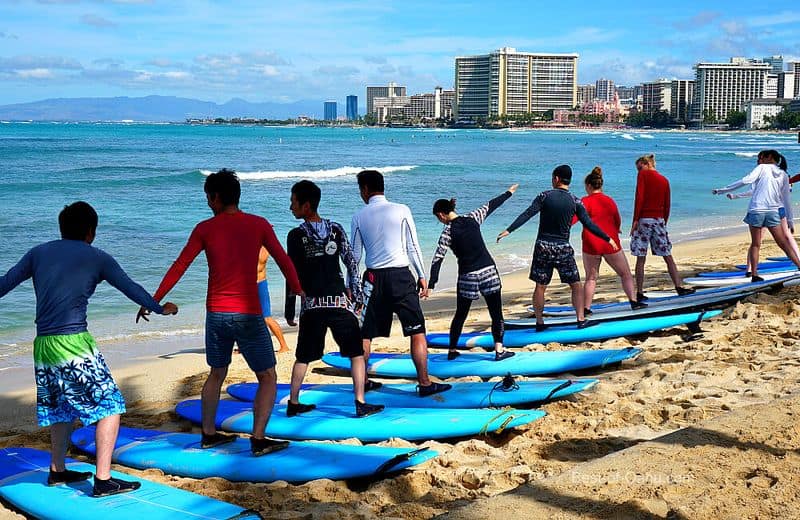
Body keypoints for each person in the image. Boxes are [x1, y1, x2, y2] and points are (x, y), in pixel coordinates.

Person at [0, 202, 178, 497]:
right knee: (111, 406)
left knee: (61, 409)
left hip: (43, 345)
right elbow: (130, 287)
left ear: (61, 229)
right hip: (72, 344)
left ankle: (58, 471)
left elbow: (4, 284)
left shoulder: (38, 252)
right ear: (91, 232)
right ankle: (103, 479)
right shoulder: (98, 257)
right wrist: (159, 308)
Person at [141, 169, 303, 456]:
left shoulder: (204, 228)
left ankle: (209, 434)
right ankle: (258, 438)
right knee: (267, 376)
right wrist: (299, 290)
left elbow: (180, 265)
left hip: (216, 314)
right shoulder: (259, 224)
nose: (207, 203)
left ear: (216, 198)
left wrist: (154, 299)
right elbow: (283, 260)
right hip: (248, 314)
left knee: (216, 373)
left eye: (208, 197)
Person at [283, 180, 384, 417]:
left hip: (312, 306)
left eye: (293, 202)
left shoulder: (295, 236)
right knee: (355, 353)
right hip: (339, 303)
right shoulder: (335, 229)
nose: (291, 207)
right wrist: (356, 293)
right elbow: (351, 261)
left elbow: (292, 274)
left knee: (303, 356)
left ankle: (294, 402)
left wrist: (290, 309)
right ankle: (360, 402)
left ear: (306, 205)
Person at [351, 169, 450, 397]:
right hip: (400, 277)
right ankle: (424, 383)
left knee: (365, 335)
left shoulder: (358, 216)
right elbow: (412, 246)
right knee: (417, 332)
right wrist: (422, 275)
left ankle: (363, 381)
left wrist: (352, 285)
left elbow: (355, 257)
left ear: (365, 190)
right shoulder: (401, 210)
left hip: (373, 279)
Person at [497, 164, 619, 330]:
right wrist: (607, 238)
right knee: (575, 285)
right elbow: (589, 224)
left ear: (556, 179)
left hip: (543, 247)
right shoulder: (575, 201)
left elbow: (527, 214)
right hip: (562, 248)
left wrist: (508, 230)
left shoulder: (544, 196)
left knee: (540, 286)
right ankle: (580, 319)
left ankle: (539, 322)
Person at [430, 185, 518, 362]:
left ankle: (452, 350)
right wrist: (508, 192)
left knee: (461, 314)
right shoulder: (473, 217)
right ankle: (499, 350)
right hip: (488, 272)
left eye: (438, 218)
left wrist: (432, 283)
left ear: (441, 214)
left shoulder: (447, 232)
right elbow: (492, 205)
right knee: (496, 313)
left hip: (468, 276)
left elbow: (437, 258)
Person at [712, 150, 800, 279]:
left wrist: (723, 190)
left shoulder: (762, 167)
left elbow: (746, 180)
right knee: (783, 243)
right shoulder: (783, 174)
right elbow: (786, 199)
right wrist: (790, 220)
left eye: (760, 158)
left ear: (769, 157)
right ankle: (799, 265)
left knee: (755, 244)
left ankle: (754, 274)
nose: (758, 161)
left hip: (757, 211)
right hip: (773, 211)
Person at [575, 167, 647, 313]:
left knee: (591, 278)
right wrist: (617, 228)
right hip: (610, 243)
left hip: (591, 243)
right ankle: (633, 302)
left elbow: (573, 219)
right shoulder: (609, 200)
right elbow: (617, 219)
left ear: (589, 186)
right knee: (625, 274)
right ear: (600, 185)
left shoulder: (584, 201)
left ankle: (586, 308)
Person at [629, 154, 695, 300]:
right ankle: (679, 286)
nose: (638, 171)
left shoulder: (643, 176)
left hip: (644, 219)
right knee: (667, 255)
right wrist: (664, 221)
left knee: (641, 257)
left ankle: (639, 292)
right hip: (659, 219)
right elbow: (667, 204)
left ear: (646, 164)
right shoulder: (664, 180)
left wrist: (635, 220)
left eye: (639, 167)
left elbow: (639, 198)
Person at [257, 247, 290, 353]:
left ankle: (283, 345)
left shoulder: (264, 247)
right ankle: (244, 346)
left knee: (267, 318)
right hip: (245, 285)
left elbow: (259, 264)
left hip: (259, 284)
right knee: (244, 317)